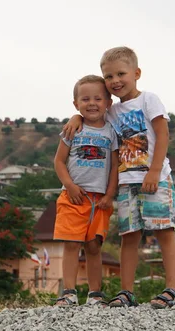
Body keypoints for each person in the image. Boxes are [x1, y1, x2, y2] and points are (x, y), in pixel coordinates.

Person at [62, 47, 175, 309]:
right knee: (129, 236)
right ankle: (126, 291)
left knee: (163, 231)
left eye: (121, 74)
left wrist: (153, 170)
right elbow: (89, 115)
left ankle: (172, 288)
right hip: (127, 183)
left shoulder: (149, 100)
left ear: (136, 73)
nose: (115, 80)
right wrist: (74, 116)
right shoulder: (112, 111)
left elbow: (163, 135)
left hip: (155, 179)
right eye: (109, 76)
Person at [53, 75, 119, 306]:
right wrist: (70, 185)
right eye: (85, 99)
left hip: (99, 199)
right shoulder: (72, 130)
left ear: (108, 102)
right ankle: (68, 292)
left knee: (94, 246)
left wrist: (110, 195)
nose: (92, 103)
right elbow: (59, 161)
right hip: (73, 196)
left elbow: (114, 167)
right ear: (76, 104)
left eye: (98, 98)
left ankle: (95, 294)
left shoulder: (112, 132)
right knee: (71, 244)